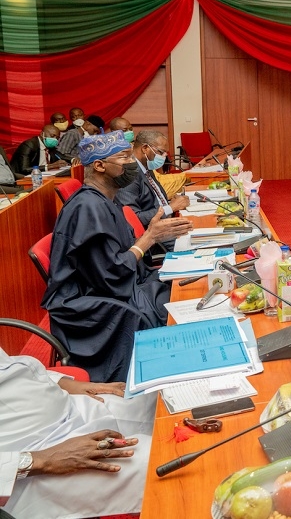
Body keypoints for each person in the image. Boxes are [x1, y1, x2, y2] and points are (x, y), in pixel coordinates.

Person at [41, 131, 193, 383]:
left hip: (115, 284)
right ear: (99, 165)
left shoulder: (105, 200)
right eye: (124, 158)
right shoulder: (88, 208)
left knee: (178, 285)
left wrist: (148, 240)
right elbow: (109, 275)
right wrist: (149, 238)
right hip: (89, 306)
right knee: (169, 304)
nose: (132, 162)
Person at [0, 347, 155, 519]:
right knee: (162, 460)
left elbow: (9, 366)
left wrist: (68, 384)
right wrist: (40, 460)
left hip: (72, 407)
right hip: (35, 459)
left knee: (158, 403)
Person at [114, 130, 191, 250]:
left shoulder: (146, 167)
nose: (164, 157)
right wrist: (171, 207)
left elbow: (154, 200)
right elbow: (134, 218)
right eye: (161, 152)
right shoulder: (129, 175)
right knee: (204, 244)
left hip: (167, 224)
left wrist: (170, 203)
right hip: (156, 237)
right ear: (145, 148)